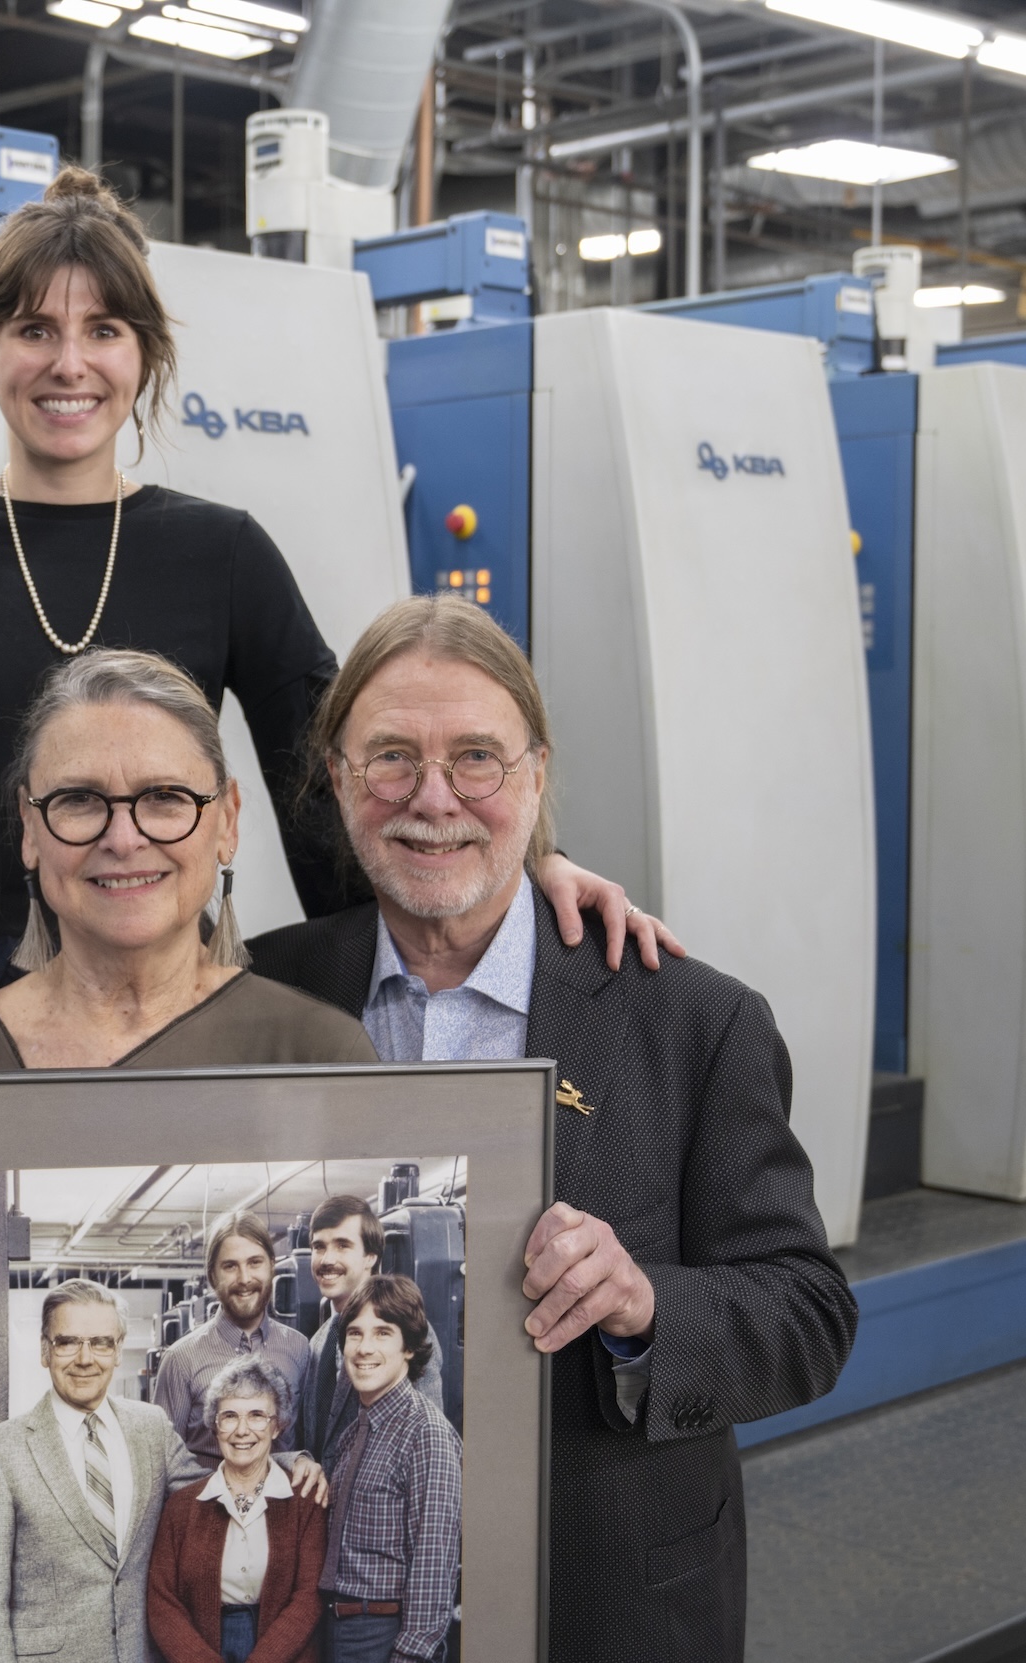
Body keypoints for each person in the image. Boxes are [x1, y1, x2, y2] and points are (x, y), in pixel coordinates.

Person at [0, 165, 675, 1053]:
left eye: (104, 330)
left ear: (146, 356)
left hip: (169, 1028)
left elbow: (339, 772)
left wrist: (510, 868)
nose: (69, 363)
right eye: (33, 329)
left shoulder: (220, 552)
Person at [247, 594, 859, 1661]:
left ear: (534, 776)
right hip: (345, 1601)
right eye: (389, 756)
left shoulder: (692, 1021)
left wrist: (642, 1304)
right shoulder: (257, 989)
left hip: (607, 1601)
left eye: (475, 758)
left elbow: (805, 1314)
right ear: (336, 781)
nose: (432, 798)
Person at [0, 650, 377, 1071]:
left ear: (227, 821)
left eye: (165, 796)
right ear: (29, 829)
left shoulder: (323, 1056)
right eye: (79, 799)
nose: (123, 839)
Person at [0, 1280, 215, 1663]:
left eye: (101, 1342)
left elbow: (212, 1492)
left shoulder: (150, 1427)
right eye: (68, 1342)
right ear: (45, 1350)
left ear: (117, 1351)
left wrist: (288, 1463)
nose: (85, 1358)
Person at [317, 1278, 461, 1663]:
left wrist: (411, 1654)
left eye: (383, 1333)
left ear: (409, 1347)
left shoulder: (425, 1433)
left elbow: (434, 1561)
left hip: (382, 1634)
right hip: (334, 1628)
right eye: (355, 1334)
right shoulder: (353, 1434)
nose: (364, 1349)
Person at [147, 1355, 327, 1663]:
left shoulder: (305, 1501)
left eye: (257, 1415)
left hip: (285, 1654)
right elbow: (162, 1601)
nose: (242, 1430)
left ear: (277, 1426)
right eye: (229, 1416)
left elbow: (308, 1597)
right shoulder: (181, 1506)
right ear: (215, 1427)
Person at [294, 1197, 443, 1462]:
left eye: (342, 1246)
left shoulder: (402, 1331)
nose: (327, 1259)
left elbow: (428, 1444)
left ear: (370, 1256)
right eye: (319, 1247)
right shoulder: (318, 1341)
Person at [151, 1213, 310, 1463]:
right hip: (204, 1500)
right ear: (213, 1275)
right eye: (230, 1266)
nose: (244, 1279)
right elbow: (161, 1460)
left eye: (255, 1263)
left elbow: (302, 1441)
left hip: (282, 1501)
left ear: (272, 1265)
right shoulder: (181, 1359)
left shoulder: (299, 1348)